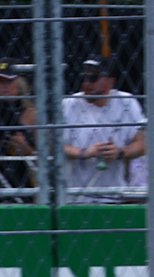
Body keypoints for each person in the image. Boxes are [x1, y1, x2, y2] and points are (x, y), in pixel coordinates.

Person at [61, 57, 147, 198]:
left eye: (93, 78)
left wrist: (119, 152)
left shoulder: (126, 102)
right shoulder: (69, 104)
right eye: (85, 77)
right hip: (75, 194)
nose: (87, 83)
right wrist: (85, 152)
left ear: (111, 81)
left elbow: (142, 144)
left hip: (115, 192)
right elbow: (54, 145)